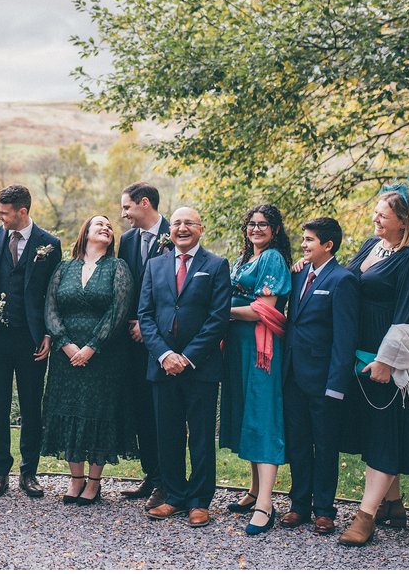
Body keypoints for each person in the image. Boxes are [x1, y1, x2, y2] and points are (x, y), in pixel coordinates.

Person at [336, 186, 409, 546]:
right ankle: (394, 505)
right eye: (375, 213)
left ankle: (365, 516)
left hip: (393, 361)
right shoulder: (372, 247)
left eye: (382, 215)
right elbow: (346, 280)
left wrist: (386, 361)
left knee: (386, 433)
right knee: (379, 430)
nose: (374, 219)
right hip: (363, 353)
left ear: (403, 221)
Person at [138, 206, 231, 527]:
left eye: (188, 223)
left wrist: (187, 357)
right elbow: (145, 315)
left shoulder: (217, 265)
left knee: (202, 436)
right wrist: (165, 355)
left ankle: (200, 501)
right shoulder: (154, 265)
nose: (181, 228)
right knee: (168, 434)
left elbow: (218, 318)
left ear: (201, 228)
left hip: (200, 367)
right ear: (170, 229)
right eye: (176, 223)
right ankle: (175, 496)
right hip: (162, 366)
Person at [41, 215, 133, 505]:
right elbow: (51, 307)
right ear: (86, 233)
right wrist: (66, 344)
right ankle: (75, 478)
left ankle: (94, 482)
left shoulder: (118, 267)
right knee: (68, 411)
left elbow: (118, 311)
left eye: (109, 226)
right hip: (65, 357)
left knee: (97, 413)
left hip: (103, 357)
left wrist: (92, 346)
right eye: (99, 225)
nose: (105, 228)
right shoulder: (64, 268)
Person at [0, 184, 62, 498]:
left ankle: (30, 473)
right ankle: (0, 471)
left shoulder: (49, 244)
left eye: (4, 213)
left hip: (31, 339)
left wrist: (47, 334)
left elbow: (53, 295)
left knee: (31, 407)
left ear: (22, 211)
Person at [280, 217, 359, 535]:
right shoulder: (298, 275)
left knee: (325, 446)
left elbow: (345, 338)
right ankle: (299, 505)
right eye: (303, 238)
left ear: (328, 245)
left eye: (309, 239)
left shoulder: (343, 280)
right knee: (298, 444)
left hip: (325, 380)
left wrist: (337, 385)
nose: (303, 244)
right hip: (293, 376)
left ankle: (324, 510)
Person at [218, 203, 292, 535]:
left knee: (263, 415)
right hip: (238, 346)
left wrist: (223, 310)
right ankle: (252, 490)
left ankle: (266, 503)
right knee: (247, 412)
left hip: (261, 348)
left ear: (275, 230)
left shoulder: (272, 258)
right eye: (251, 223)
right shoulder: (244, 258)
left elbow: (266, 309)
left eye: (263, 224)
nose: (256, 229)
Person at [117, 182, 172, 509]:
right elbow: (126, 285)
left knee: (160, 413)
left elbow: (176, 290)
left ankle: (166, 480)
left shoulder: (174, 234)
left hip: (162, 339)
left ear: (145, 203)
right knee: (140, 411)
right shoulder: (126, 241)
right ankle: (150, 474)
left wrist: (146, 324)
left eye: (127, 208)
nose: (123, 214)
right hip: (131, 342)